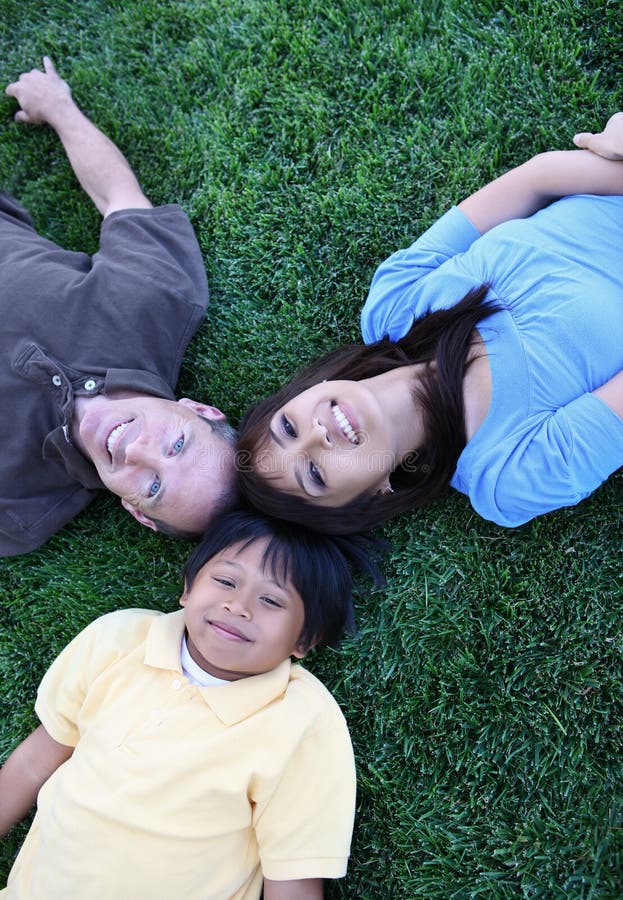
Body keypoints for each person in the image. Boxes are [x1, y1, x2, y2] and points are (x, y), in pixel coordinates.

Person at [236, 113, 623, 533]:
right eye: (315, 474)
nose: (316, 436)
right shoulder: (507, 474)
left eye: (288, 427)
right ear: (373, 495)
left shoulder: (393, 302)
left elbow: (534, 181)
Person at [0, 508, 383, 899]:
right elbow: (35, 761)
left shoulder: (301, 719)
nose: (238, 606)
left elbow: (293, 879)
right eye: (225, 580)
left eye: (271, 600)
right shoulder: (118, 640)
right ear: (188, 588)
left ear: (305, 640)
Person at [1, 57, 237, 556]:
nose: (137, 451)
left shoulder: (18, 509)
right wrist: (59, 106)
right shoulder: (157, 302)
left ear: (136, 512)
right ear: (197, 410)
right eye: (177, 445)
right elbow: (117, 196)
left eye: (153, 487)